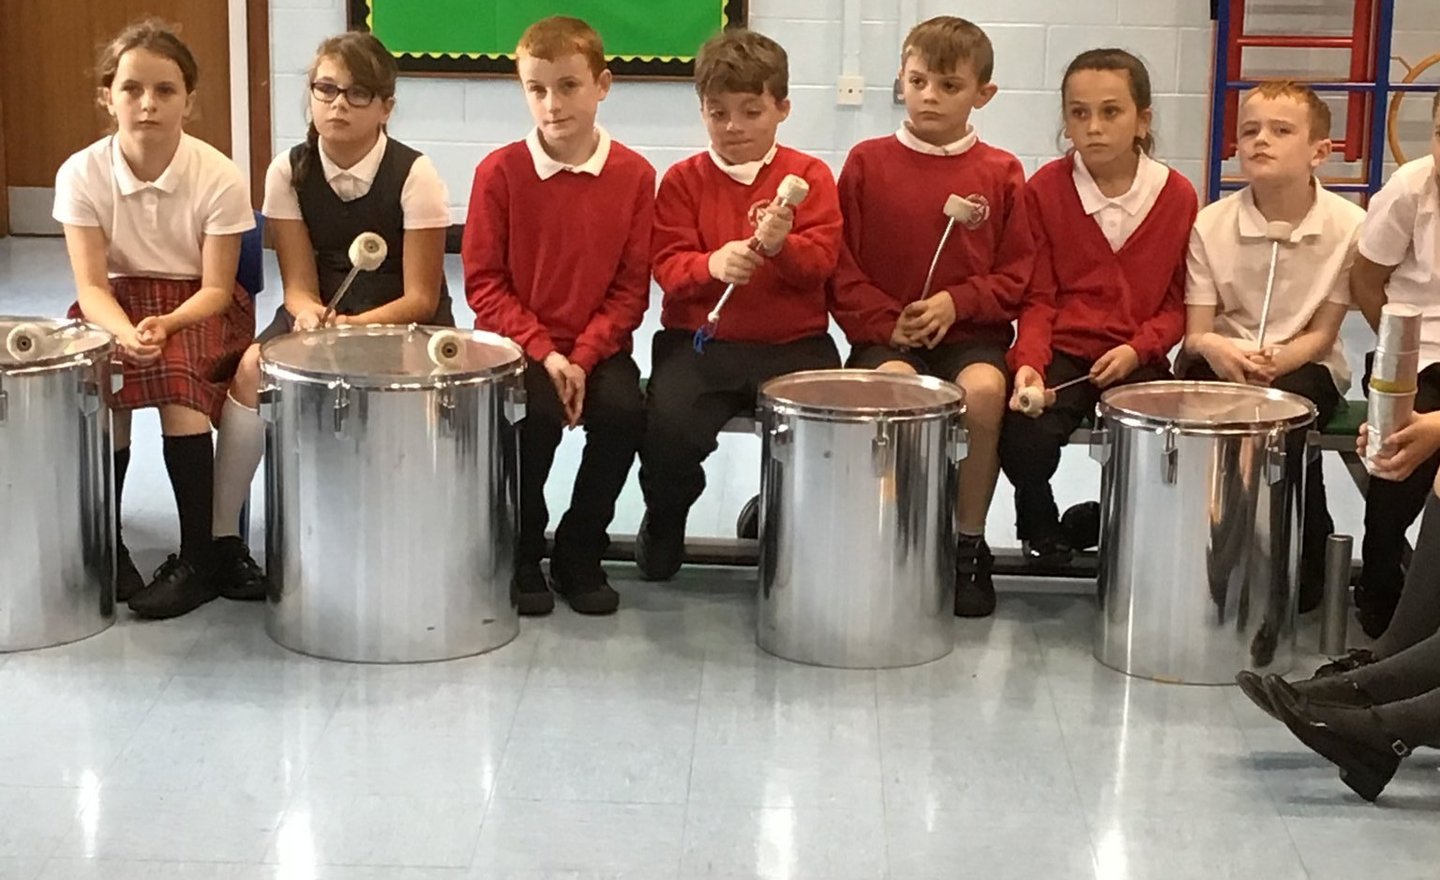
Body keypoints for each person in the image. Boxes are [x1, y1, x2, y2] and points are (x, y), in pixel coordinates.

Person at [209, 30, 452, 606]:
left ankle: (411, 536)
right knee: (249, 370)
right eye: (326, 89)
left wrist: (357, 328)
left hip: (402, 319)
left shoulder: (417, 175)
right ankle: (217, 541)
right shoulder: (286, 172)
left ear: (386, 107)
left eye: (357, 93)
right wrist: (312, 315)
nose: (338, 104)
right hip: (322, 311)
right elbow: (297, 282)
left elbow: (421, 296)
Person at [829, 16, 1033, 616]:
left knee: (985, 393)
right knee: (897, 393)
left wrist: (958, 302)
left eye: (948, 86)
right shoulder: (866, 162)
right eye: (917, 81)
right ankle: (896, 540)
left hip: (971, 336)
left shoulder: (1000, 172)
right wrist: (886, 321)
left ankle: (968, 545)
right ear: (900, 80)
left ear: (982, 95)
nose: (929, 96)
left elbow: (1017, 274)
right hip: (888, 337)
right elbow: (841, 268)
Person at [53, 19, 256, 619]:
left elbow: (219, 287)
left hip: (195, 302)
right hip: (115, 303)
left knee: (178, 386)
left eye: (166, 90)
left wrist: (165, 325)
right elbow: (90, 286)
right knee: (103, 381)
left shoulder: (218, 174)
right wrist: (123, 332)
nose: (148, 103)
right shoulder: (81, 173)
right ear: (107, 97)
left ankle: (198, 557)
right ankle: (106, 546)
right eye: (132, 89)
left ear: (189, 100)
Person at [635, 28, 844, 582]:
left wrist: (782, 247)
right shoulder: (682, 181)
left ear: (782, 109)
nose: (734, 127)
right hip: (703, 342)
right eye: (718, 113)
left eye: (751, 112)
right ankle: (666, 516)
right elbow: (667, 267)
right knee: (669, 429)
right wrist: (711, 264)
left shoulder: (811, 177)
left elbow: (822, 263)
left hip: (792, 342)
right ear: (701, 111)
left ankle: (784, 519)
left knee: (825, 436)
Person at [463, 16, 652, 615]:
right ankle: (521, 550)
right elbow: (484, 285)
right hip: (520, 350)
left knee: (624, 412)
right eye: (536, 89)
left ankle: (580, 548)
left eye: (568, 87)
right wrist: (547, 355)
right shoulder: (499, 172)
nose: (551, 104)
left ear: (603, 86)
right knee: (533, 419)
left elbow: (630, 291)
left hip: (595, 347)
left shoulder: (634, 175)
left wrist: (583, 357)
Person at [1001, 48, 1197, 568]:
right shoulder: (1044, 189)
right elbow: (1038, 297)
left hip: (1138, 355)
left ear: (1142, 119)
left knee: (1158, 448)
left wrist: (1139, 349)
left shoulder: (1177, 196)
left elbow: (1178, 304)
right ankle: (1040, 526)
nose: (1093, 127)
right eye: (1078, 113)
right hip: (1064, 349)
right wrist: (1028, 366)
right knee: (1023, 439)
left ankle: (1111, 523)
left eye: (1111, 112)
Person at [1182, 80, 1364, 612]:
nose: (1261, 140)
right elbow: (1197, 332)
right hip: (1224, 354)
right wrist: (1222, 350)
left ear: (1319, 152)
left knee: (1286, 415)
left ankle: (1300, 565)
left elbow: (1323, 333)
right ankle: (1209, 554)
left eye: (1281, 131)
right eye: (1250, 130)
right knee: (1208, 409)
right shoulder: (1209, 224)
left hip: (1304, 362)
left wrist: (1282, 358)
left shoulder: (1350, 226)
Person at [1350, 91, 1440, 637]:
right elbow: (1366, 278)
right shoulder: (1412, 188)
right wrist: (1396, 349)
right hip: (1417, 348)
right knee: (1397, 440)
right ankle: (1381, 590)